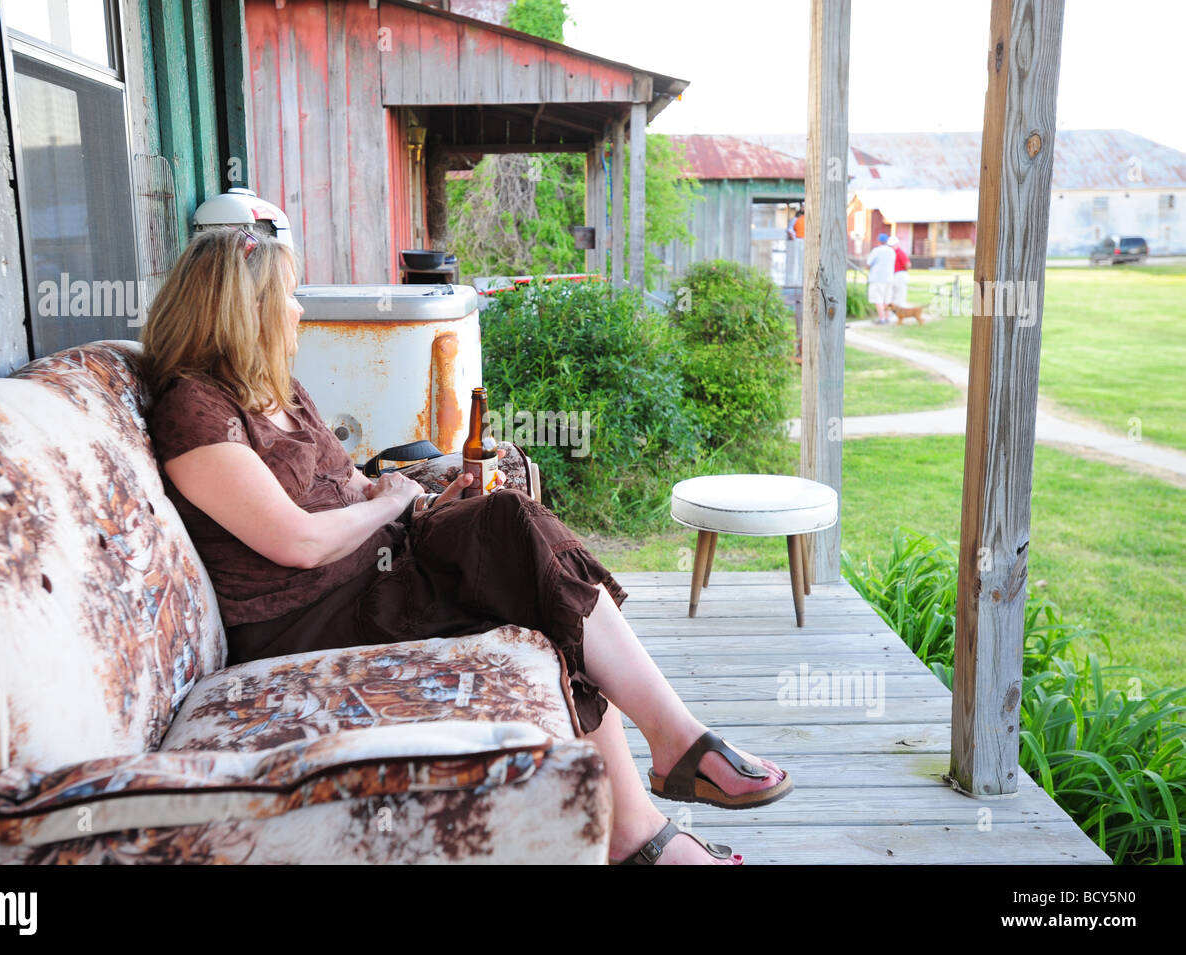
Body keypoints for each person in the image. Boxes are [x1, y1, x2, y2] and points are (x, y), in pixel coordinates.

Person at [139, 229, 793, 865]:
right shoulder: (194, 412)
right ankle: (662, 787)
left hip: (382, 567)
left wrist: (422, 499)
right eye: (286, 294)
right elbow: (299, 541)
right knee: (521, 555)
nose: (299, 308)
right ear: (241, 309)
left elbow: (352, 485)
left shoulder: (276, 391)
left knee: (513, 532)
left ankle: (645, 820)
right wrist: (394, 503)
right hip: (313, 615)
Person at [866, 231, 896, 323]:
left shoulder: (876, 250)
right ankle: (887, 317)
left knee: (877, 298)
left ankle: (881, 318)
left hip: (877, 278)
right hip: (889, 278)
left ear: (878, 241)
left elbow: (868, 263)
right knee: (887, 298)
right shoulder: (892, 251)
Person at [888, 234, 911, 319]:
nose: (891, 247)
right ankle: (895, 314)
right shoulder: (896, 252)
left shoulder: (897, 252)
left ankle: (898, 314)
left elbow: (907, 264)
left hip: (898, 274)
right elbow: (907, 265)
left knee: (898, 295)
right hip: (896, 275)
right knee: (896, 295)